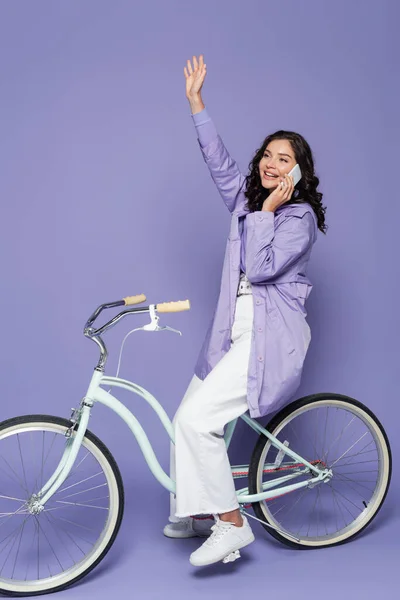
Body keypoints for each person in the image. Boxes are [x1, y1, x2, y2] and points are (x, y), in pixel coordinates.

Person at [163, 55, 327, 568]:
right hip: (228, 334)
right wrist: (196, 103)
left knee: (196, 422)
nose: (270, 163)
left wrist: (268, 213)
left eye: (284, 158)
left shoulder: (295, 219)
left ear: (298, 172)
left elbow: (259, 271)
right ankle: (196, 511)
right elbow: (219, 162)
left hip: (265, 337)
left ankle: (231, 526)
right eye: (267, 155)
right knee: (183, 420)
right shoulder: (248, 203)